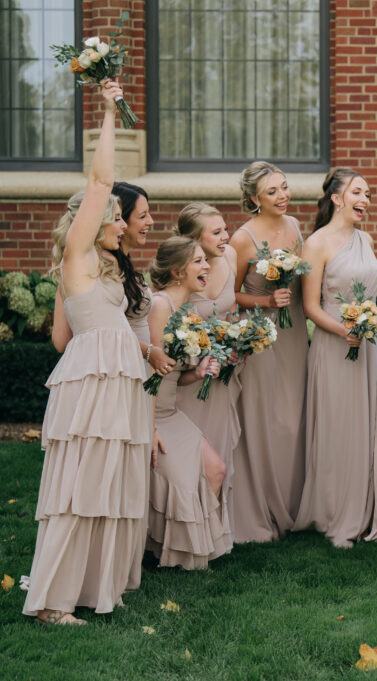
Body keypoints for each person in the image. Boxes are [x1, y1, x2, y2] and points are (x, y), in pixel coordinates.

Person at [23, 80, 151, 625]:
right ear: (91, 219)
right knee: (79, 490)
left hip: (111, 381)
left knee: (107, 485)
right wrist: (106, 111)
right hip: (94, 389)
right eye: (117, 217)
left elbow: (59, 341)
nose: (123, 226)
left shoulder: (88, 271)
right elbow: (101, 178)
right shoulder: (76, 254)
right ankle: (51, 602)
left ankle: (94, 587)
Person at [293, 168, 377, 548]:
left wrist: (367, 324)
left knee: (366, 425)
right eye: (358, 192)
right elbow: (309, 306)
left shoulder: (365, 239)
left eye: (368, 194)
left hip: (368, 345)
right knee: (337, 427)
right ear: (337, 198)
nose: (365, 200)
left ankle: (368, 509)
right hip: (333, 345)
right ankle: (334, 513)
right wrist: (344, 331)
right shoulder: (316, 244)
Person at [229, 161, 308, 542]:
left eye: (284, 187)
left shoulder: (294, 227)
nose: (282, 196)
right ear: (253, 199)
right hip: (261, 333)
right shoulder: (241, 239)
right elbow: (227, 296)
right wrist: (264, 301)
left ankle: (292, 505)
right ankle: (260, 509)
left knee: (293, 416)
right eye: (272, 191)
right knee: (266, 417)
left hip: (293, 332)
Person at [146, 237, 231, 569]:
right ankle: (161, 552)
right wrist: (148, 426)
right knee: (180, 482)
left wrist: (196, 372)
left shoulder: (187, 311)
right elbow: (148, 372)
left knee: (216, 469)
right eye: (199, 261)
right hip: (151, 412)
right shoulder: (159, 306)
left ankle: (178, 546)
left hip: (171, 410)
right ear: (177, 271)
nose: (207, 266)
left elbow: (173, 375)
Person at [175, 202, 242, 541]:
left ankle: (215, 531)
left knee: (221, 447)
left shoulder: (229, 257)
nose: (226, 236)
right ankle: (186, 530)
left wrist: (237, 345)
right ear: (193, 239)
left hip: (223, 375)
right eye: (216, 232)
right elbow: (169, 324)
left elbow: (234, 311)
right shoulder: (178, 269)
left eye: (224, 229)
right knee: (190, 456)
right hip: (189, 378)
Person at [111, 182, 174, 379]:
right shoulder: (108, 268)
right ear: (121, 219)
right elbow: (108, 330)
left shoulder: (126, 265)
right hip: (120, 371)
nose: (151, 221)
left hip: (138, 370)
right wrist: (148, 352)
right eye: (142, 216)